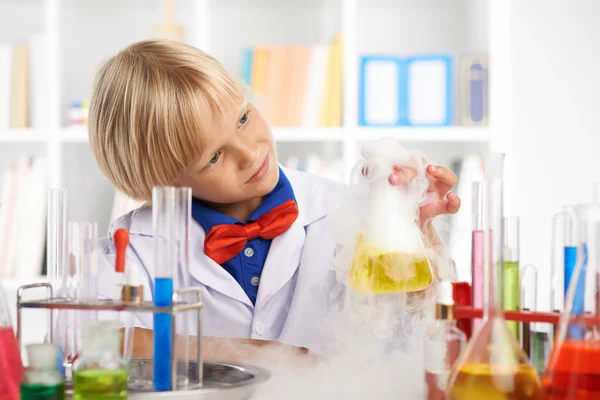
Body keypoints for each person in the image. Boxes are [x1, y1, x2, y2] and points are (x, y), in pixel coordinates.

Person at [88, 40, 461, 363]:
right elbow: (96, 339)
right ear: (162, 183)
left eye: (244, 118)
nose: (250, 153)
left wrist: (419, 236)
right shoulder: (136, 246)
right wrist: (264, 355)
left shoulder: (345, 213)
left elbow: (417, 336)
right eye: (214, 157)